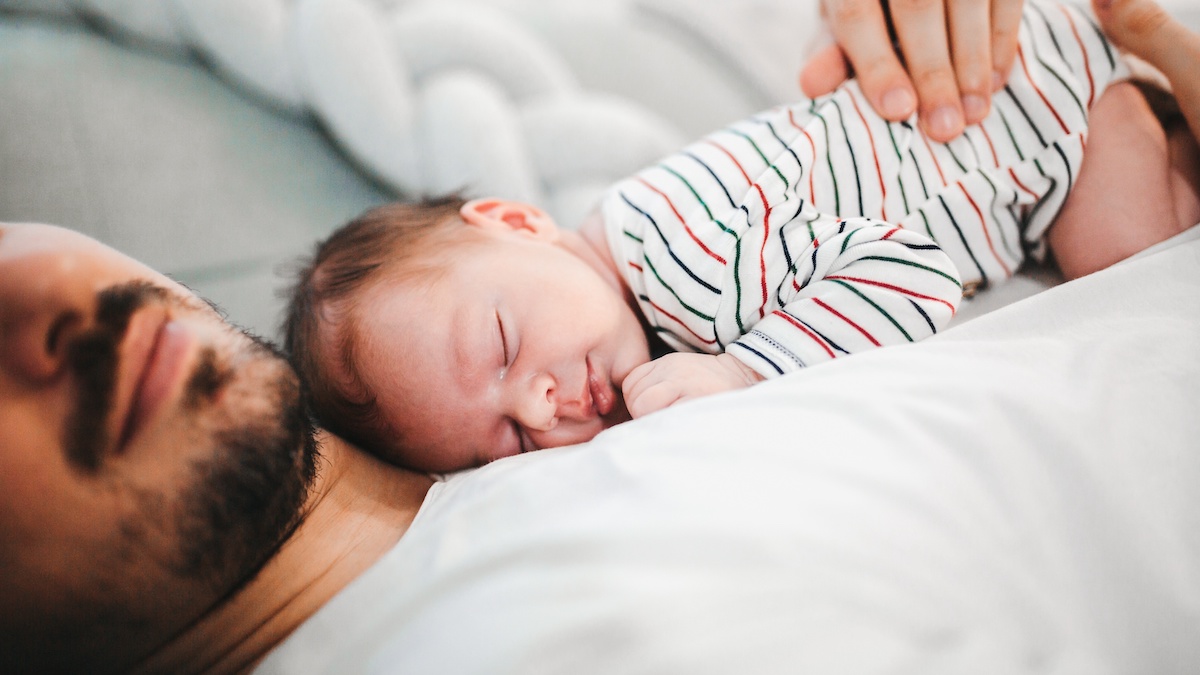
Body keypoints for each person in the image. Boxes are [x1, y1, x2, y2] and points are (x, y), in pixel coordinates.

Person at [285, 0, 1199, 474]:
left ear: (520, 221)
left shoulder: (679, 266)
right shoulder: (640, 243)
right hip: (1007, 96)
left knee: (1137, 288)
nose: (540, 406)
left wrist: (746, 369)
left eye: (503, 345)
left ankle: (1159, 77)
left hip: (1038, 113)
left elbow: (907, 270)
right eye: (502, 446)